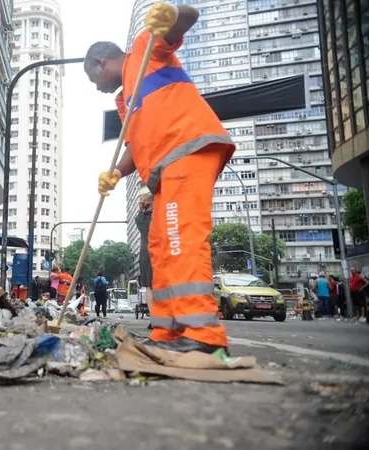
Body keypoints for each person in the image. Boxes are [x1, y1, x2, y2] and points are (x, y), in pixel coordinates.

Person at [86, 2, 234, 354]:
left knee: (181, 237)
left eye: (93, 80)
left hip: (187, 149)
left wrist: (171, 15)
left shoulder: (143, 47)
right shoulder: (128, 96)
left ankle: (203, 335)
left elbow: (187, 19)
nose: (97, 88)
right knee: (160, 247)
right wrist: (117, 173)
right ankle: (167, 330)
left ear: (100, 63)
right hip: (166, 168)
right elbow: (138, 146)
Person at [135, 186, 155, 329]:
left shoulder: (139, 219)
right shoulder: (161, 214)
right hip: (160, 251)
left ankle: (155, 319)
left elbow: (143, 228)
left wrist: (142, 211)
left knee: (150, 286)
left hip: (146, 252)